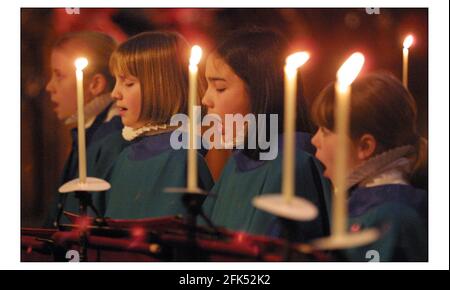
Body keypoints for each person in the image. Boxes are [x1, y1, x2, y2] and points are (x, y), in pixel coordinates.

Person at [200, 28, 331, 241]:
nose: (206, 99)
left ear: (261, 90)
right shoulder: (239, 161)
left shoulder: (295, 164)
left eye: (220, 88)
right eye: (207, 86)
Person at [311, 71, 428, 261]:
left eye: (325, 131)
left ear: (365, 147)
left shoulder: (393, 216)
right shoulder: (367, 202)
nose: (314, 140)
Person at [104, 31, 214, 219]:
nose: (114, 93)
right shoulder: (126, 156)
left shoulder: (181, 160)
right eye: (115, 81)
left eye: (128, 83)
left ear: (161, 89)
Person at [44, 31, 129, 227]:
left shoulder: (112, 139)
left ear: (95, 84)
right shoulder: (89, 131)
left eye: (59, 76)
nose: (50, 86)